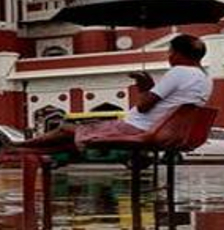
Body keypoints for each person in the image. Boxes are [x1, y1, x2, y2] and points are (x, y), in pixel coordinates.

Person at [15, 34, 212, 152]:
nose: (169, 56)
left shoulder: (178, 72)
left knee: (67, 129)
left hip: (139, 128)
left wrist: (143, 86)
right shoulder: (205, 79)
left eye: (170, 52)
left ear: (177, 53)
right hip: (168, 132)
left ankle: (20, 147)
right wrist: (150, 86)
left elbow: (143, 107)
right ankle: (26, 148)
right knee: (76, 137)